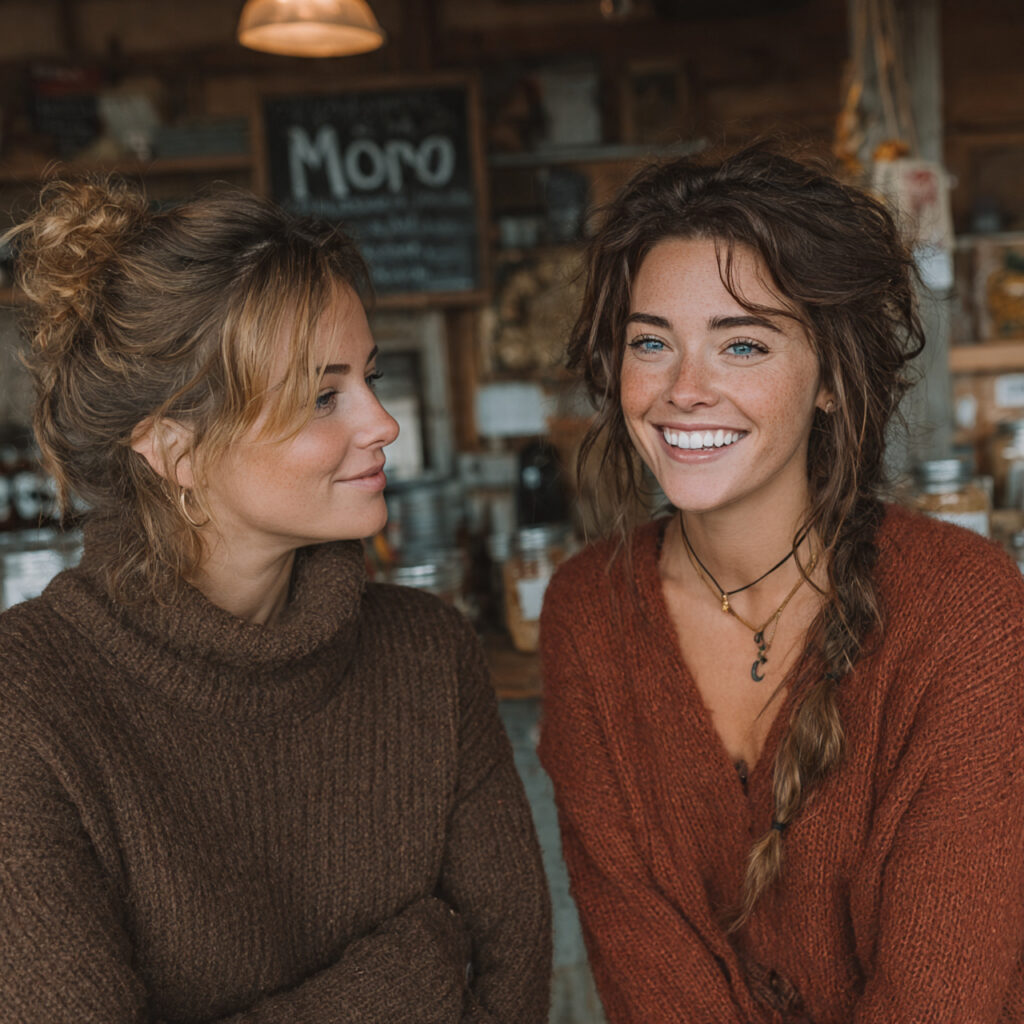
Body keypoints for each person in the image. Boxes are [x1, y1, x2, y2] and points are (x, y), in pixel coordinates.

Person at [0, 177, 551, 1023]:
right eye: (323, 397)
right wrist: (402, 985)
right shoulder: (26, 702)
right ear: (176, 450)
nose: (382, 423)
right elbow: (464, 966)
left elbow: (512, 982)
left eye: (368, 377)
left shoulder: (431, 655)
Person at [538, 142, 1024, 1023]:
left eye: (743, 344)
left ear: (833, 379)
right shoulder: (587, 614)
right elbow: (650, 979)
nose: (685, 389)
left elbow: (942, 994)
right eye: (653, 342)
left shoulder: (967, 611)